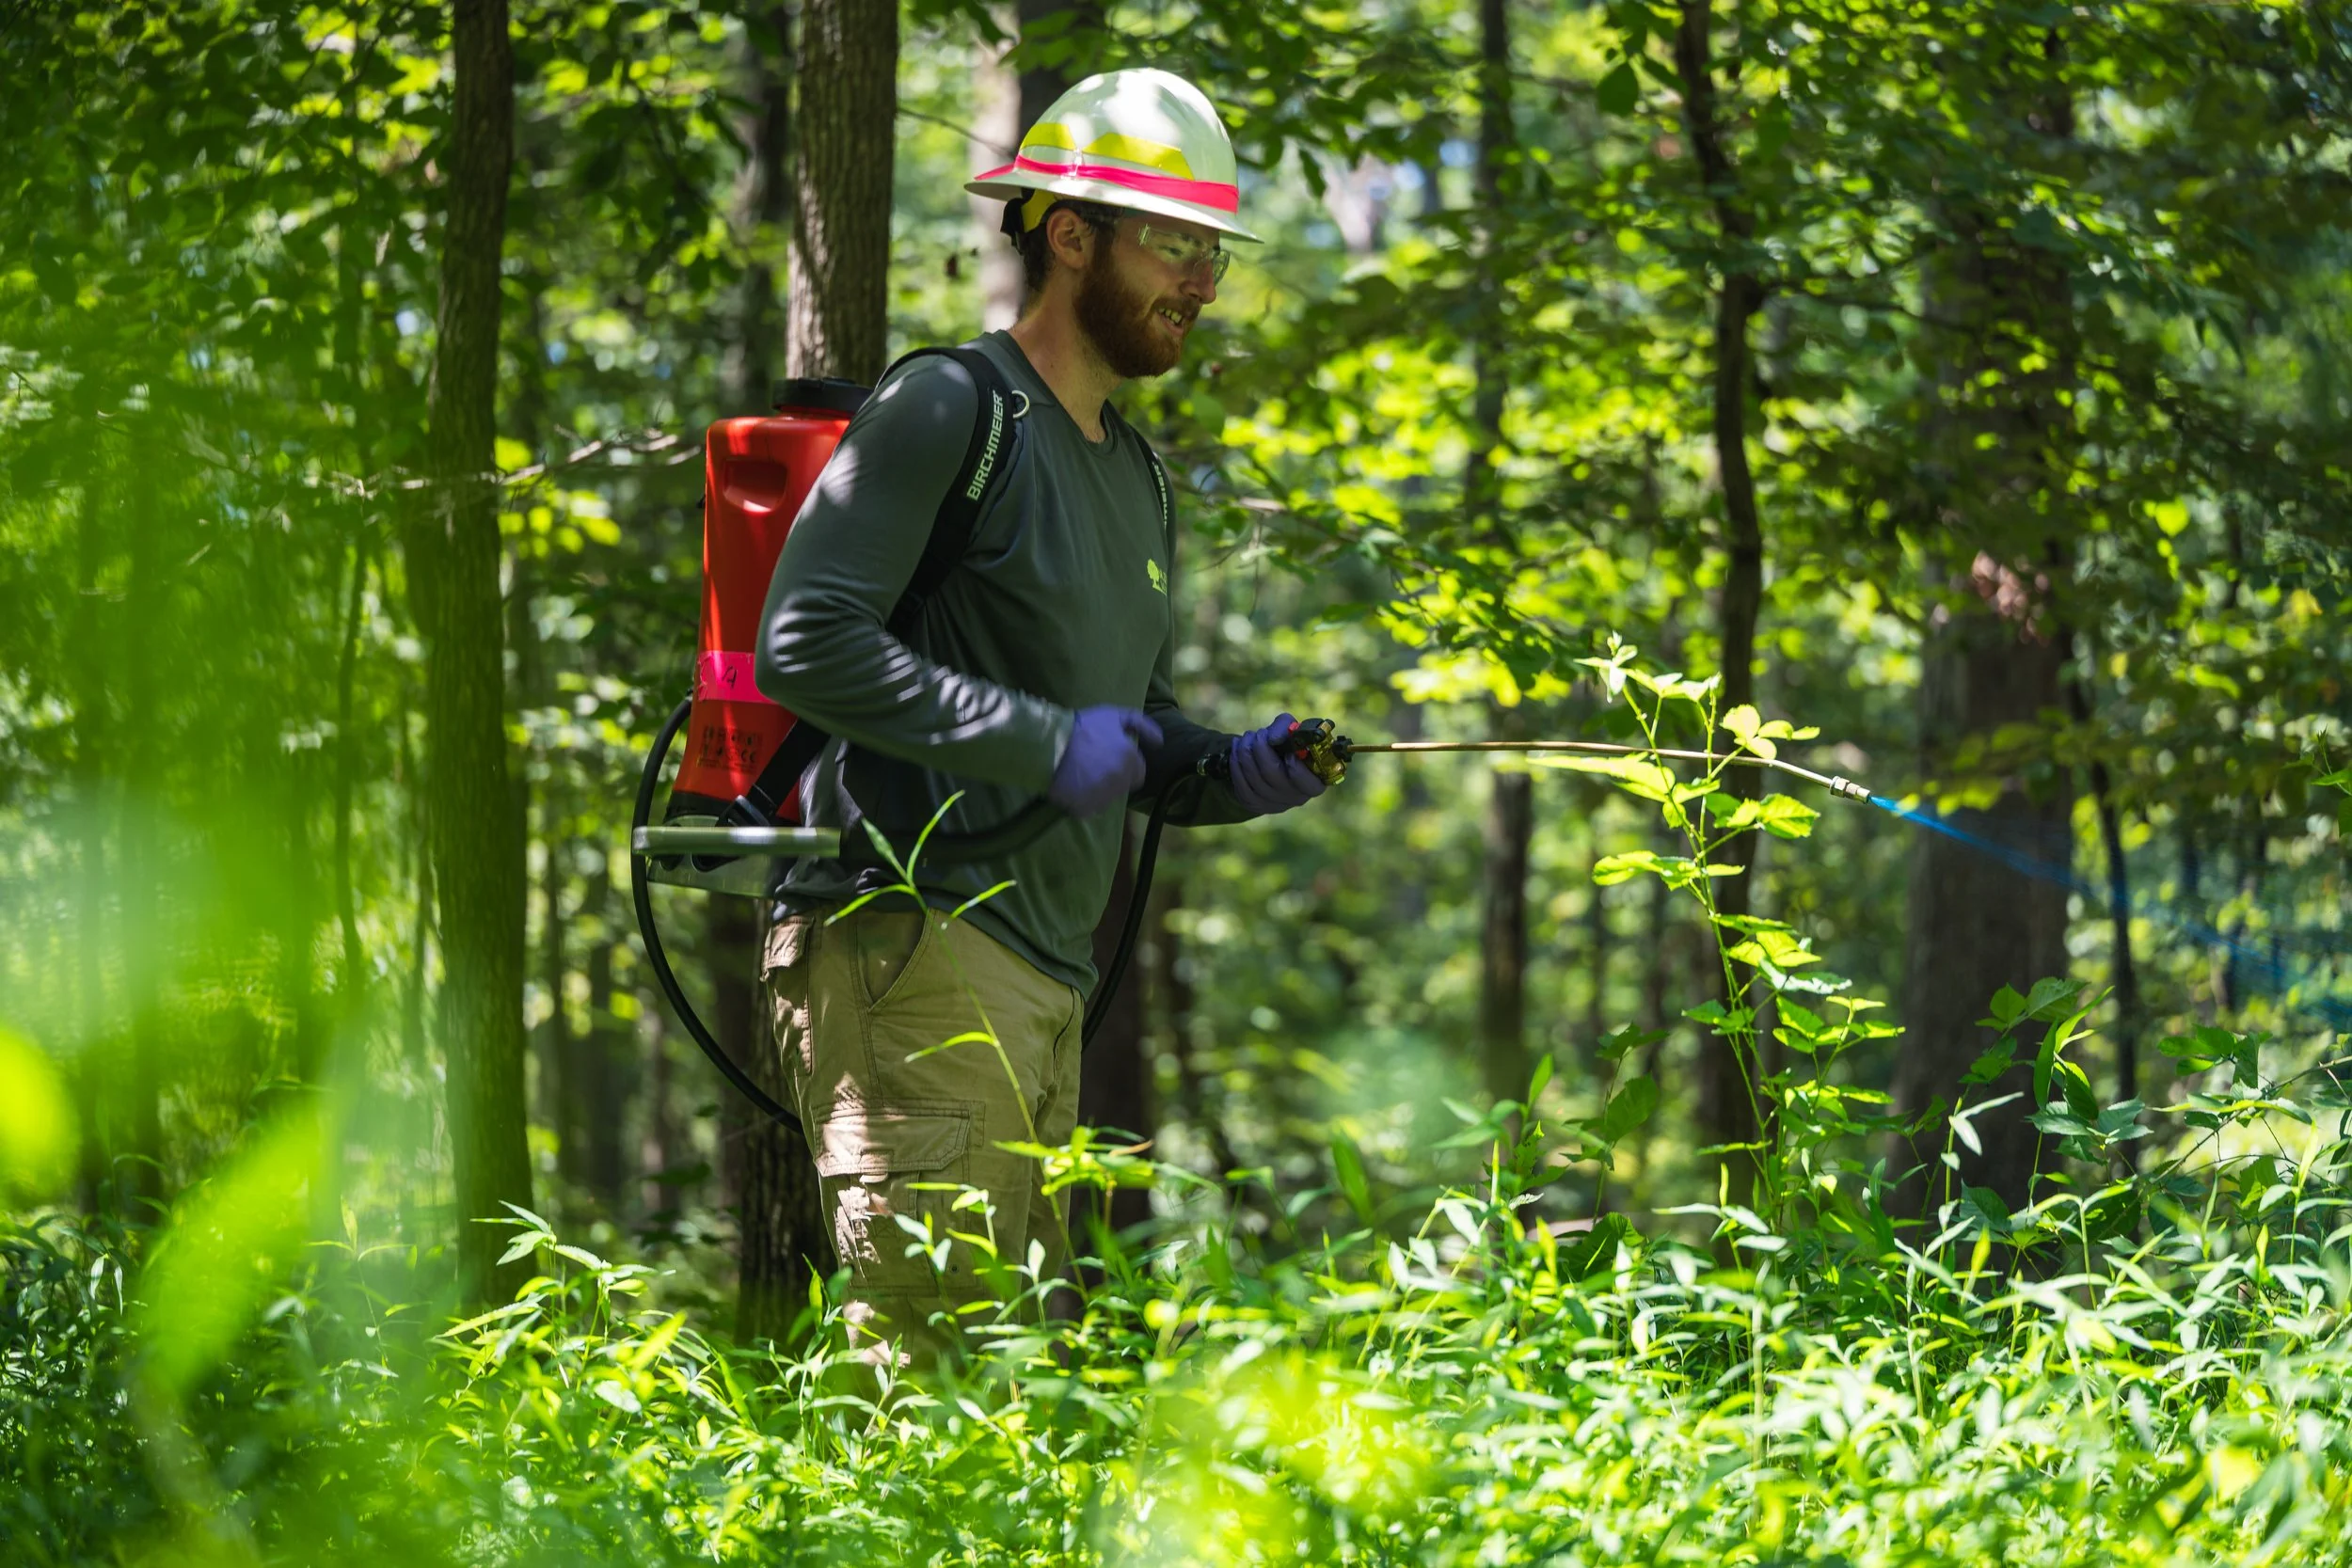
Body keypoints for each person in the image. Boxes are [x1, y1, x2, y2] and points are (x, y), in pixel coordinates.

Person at [753, 68, 1329, 1365]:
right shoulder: (952, 406)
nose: (1204, 281)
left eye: (1212, 251)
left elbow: (1131, 731)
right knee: (933, 1385)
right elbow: (803, 643)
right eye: (1175, 244)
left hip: (1039, 979)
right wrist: (1038, 740)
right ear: (1069, 235)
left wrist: (1232, 768)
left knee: (1008, 1391)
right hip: (913, 940)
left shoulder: (1137, 477)